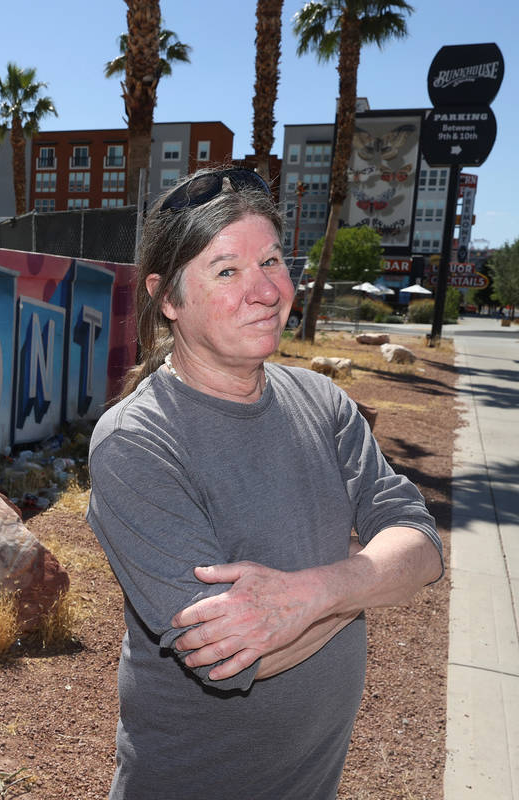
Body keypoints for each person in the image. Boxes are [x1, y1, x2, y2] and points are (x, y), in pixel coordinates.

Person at [86, 166, 443, 800]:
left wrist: (314, 591)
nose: (267, 291)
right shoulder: (137, 443)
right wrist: (366, 578)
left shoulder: (322, 399)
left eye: (273, 261)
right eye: (226, 271)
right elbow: (232, 659)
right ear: (168, 298)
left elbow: (419, 540)